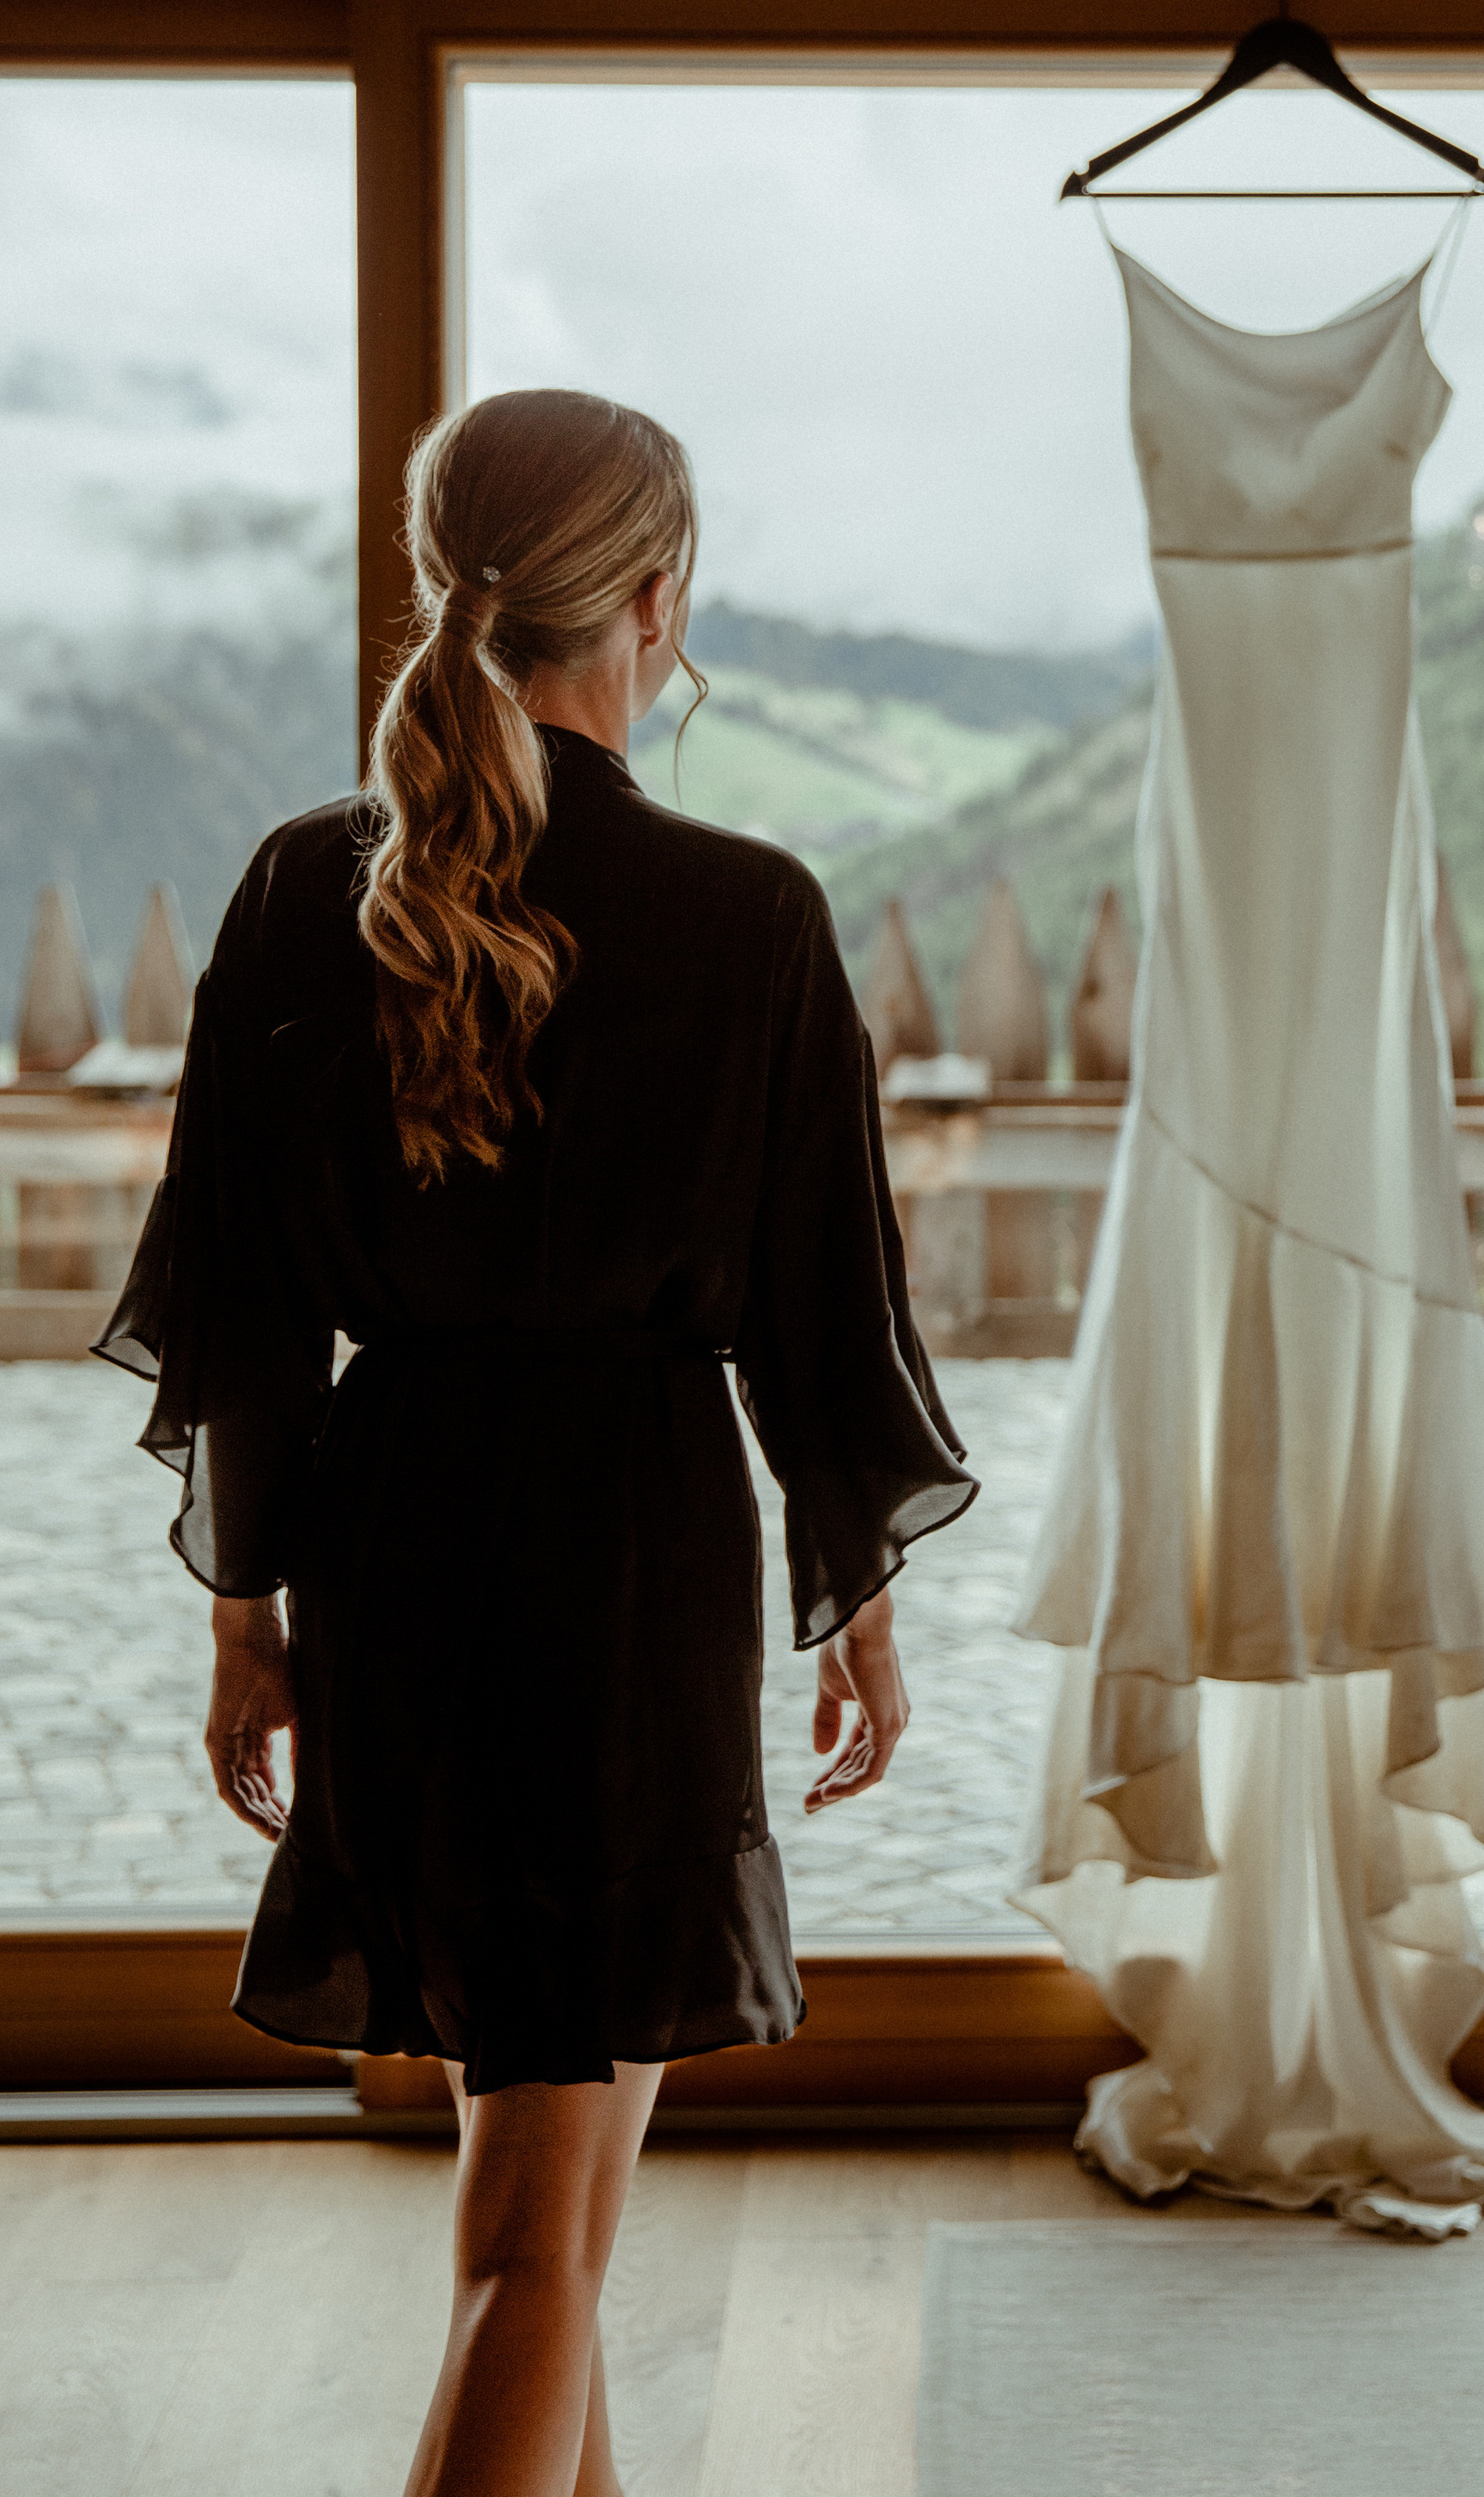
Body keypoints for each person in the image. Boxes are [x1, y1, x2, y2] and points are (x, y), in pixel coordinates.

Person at [97, 387, 976, 2497]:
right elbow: (822, 1311)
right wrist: (851, 1598)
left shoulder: (308, 886)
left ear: (445, 586)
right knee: (532, 2249)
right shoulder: (748, 913)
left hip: (392, 1557)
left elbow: (231, 1305)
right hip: (628, 1578)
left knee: (535, 2208)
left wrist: (248, 1616)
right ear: (657, 603)